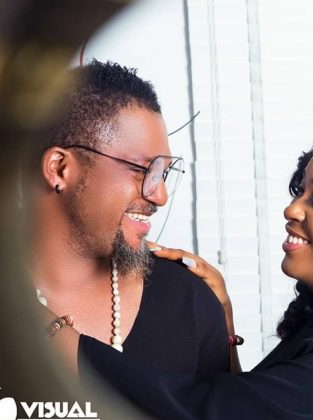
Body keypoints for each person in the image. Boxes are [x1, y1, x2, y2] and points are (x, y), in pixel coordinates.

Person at [48, 119, 313, 420]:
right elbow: (258, 404)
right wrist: (225, 322)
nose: (291, 209)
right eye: (300, 192)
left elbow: (200, 412)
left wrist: (52, 335)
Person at [26, 60, 230, 378]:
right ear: (59, 169)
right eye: (142, 170)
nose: (160, 196)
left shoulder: (189, 300)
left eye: (163, 174)